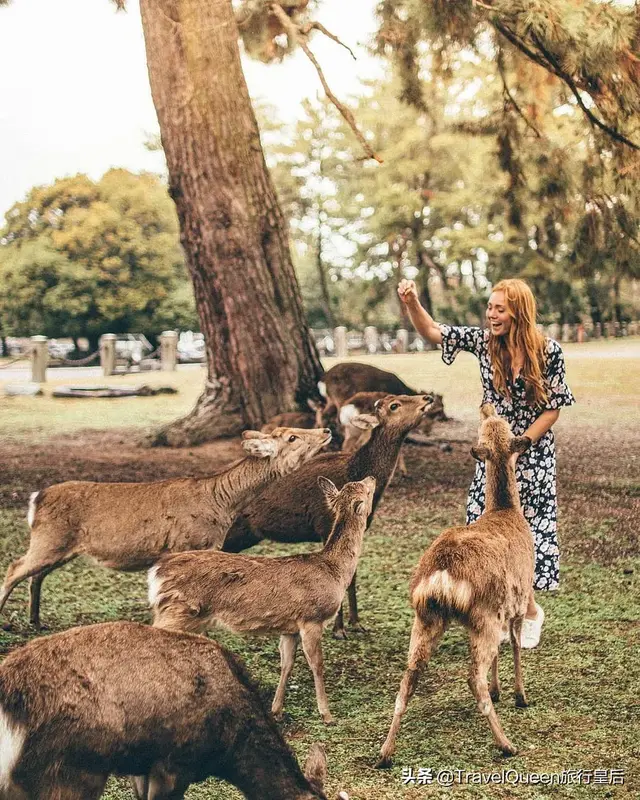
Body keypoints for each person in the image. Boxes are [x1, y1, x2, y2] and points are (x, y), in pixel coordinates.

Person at [398, 277, 575, 648]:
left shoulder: (549, 352)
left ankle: (528, 612)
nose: (491, 314)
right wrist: (412, 301)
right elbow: (432, 331)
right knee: (488, 531)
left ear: (518, 313)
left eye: (499, 308)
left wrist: (521, 443)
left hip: (532, 453)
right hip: (494, 457)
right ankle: (504, 608)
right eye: (490, 307)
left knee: (528, 533)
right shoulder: (483, 343)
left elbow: (553, 409)